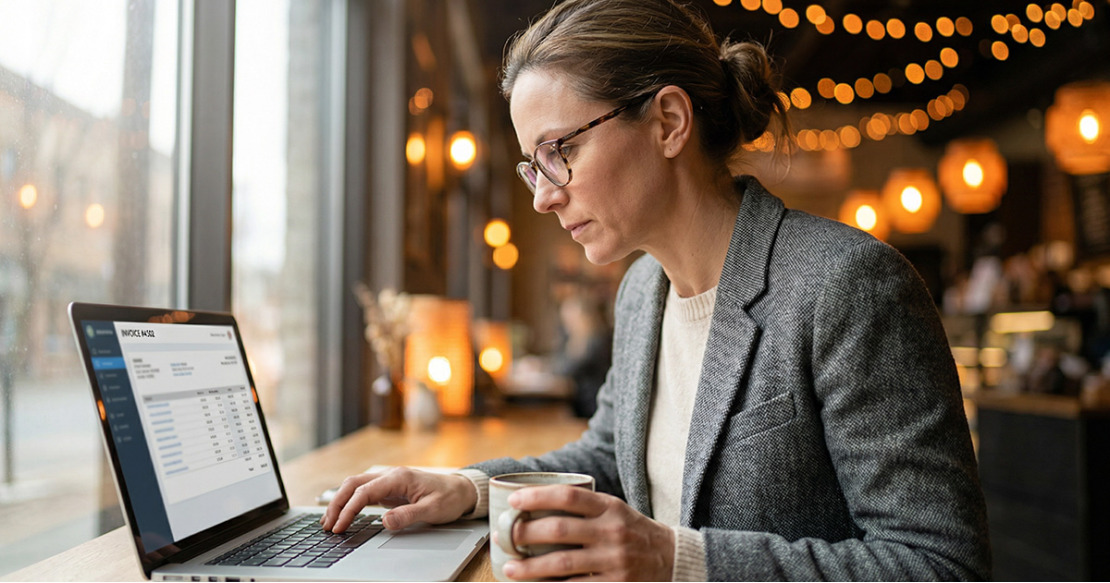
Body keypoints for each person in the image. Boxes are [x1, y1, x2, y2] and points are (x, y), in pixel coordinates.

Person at [322, 0, 991, 579]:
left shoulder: (846, 284)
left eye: (562, 152)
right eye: (533, 168)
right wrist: (465, 486)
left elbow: (939, 564)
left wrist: (677, 562)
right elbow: (611, 454)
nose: (545, 198)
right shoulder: (644, 288)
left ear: (669, 120)